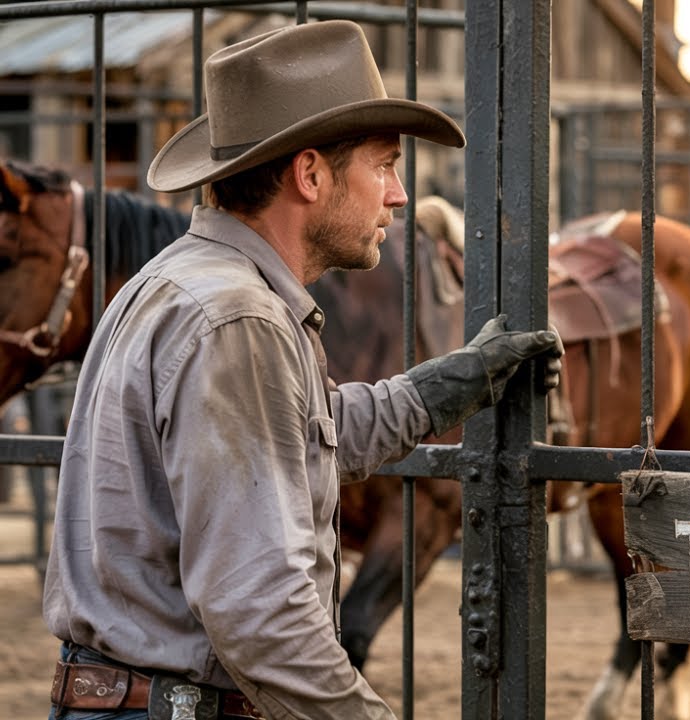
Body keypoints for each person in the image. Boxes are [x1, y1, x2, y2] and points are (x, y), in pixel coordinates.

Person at [43, 20, 563, 720]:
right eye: (383, 164)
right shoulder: (238, 322)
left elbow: (288, 438)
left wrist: (453, 384)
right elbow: (262, 617)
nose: (399, 195)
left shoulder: (177, 282)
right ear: (310, 173)